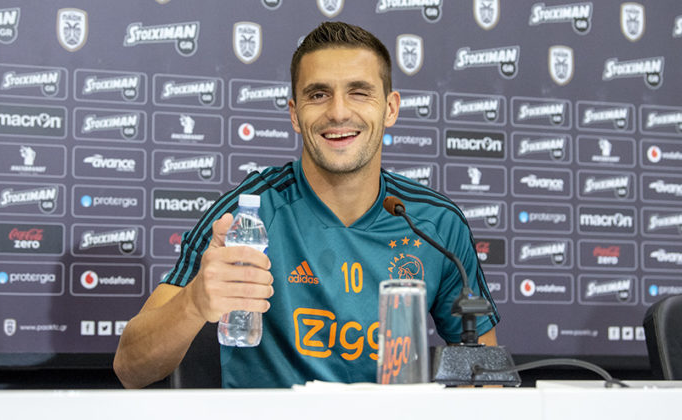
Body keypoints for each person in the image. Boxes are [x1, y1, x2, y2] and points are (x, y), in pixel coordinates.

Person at [113, 21, 499, 389]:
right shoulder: (245, 214)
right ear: (295, 114)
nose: (338, 112)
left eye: (359, 92)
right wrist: (195, 301)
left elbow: (486, 378)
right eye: (318, 95)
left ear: (390, 108)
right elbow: (130, 369)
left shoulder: (437, 223)